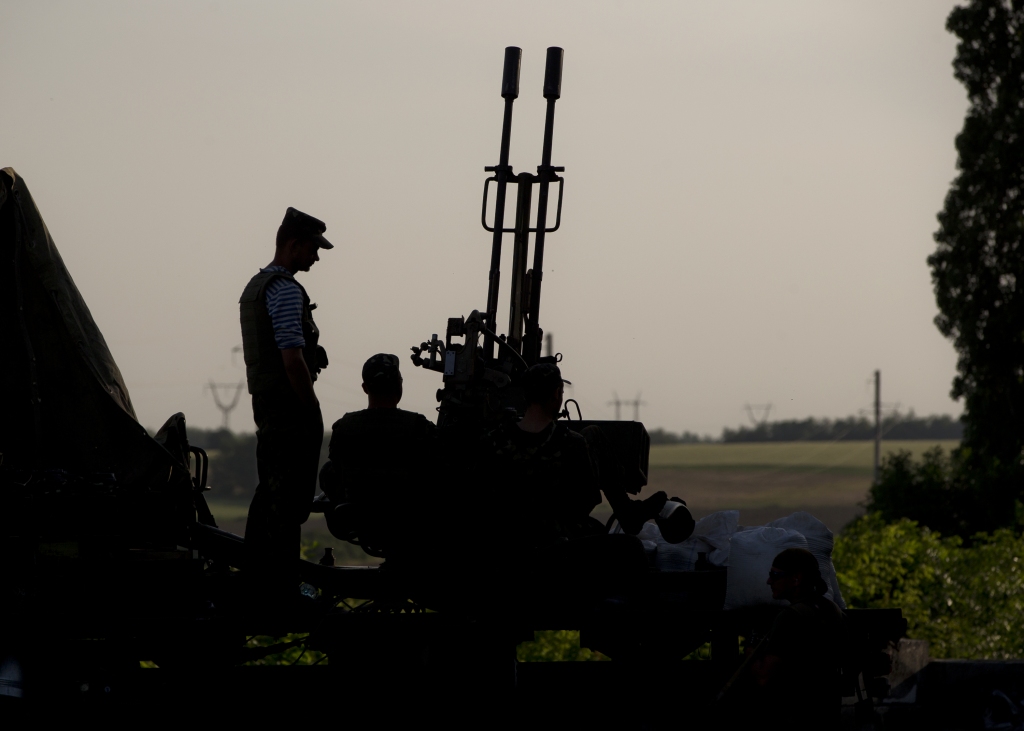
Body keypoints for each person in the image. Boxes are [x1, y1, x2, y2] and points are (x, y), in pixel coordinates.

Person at [239, 206, 333, 599]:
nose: (316, 256)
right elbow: (291, 359)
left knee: (271, 494)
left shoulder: (257, 286)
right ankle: (281, 588)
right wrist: (311, 408)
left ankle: (259, 579)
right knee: (288, 499)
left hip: (269, 405)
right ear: (293, 245)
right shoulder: (285, 290)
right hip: (288, 408)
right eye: (312, 249)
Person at [322, 353, 437, 556]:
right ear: (399, 386)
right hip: (408, 521)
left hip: (359, 521)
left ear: (365, 388)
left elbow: (334, 475)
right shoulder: (420, 428)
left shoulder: (344, 427)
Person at [752, 547, 845, 726]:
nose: (769, 581)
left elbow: (763, 677)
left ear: (796, 579)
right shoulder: (832, 610)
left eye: (775, 575)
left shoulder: (790, 617)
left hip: (797, 716)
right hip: (828, 714)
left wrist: (751, 643)